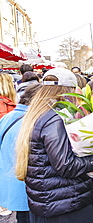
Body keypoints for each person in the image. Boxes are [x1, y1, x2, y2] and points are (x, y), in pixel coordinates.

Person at [15, 68, 93, 222]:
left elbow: (50, 160)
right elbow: (67, 166)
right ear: (68, 91)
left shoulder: (38, 113)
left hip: (50, 201)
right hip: (65, 205)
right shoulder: (55, 118)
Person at [0, 83, 42, 223]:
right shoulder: (35, 121)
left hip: (11, 183)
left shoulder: (8, 117)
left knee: (22, 218)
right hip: (31, 187)